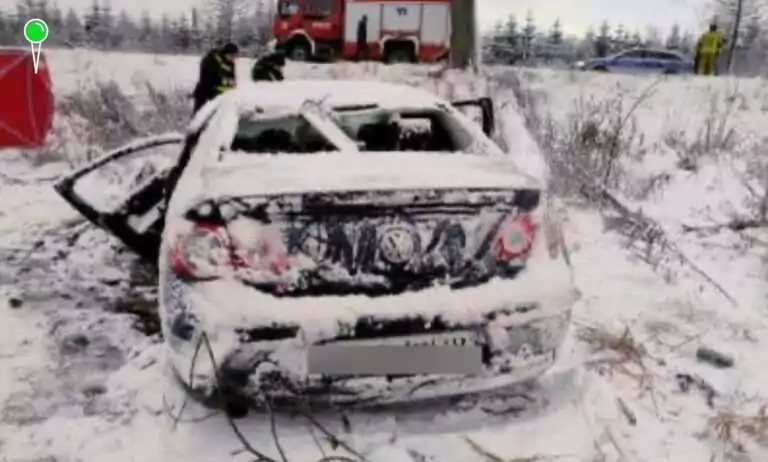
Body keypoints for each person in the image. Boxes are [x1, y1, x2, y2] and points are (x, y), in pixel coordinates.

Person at [192, 42, 239, 114]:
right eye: (232, 56)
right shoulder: (211, 59)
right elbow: (208, 78)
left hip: (221, 95)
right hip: (205, 93)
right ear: (225, 53)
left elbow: (232, 78)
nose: (233, 58)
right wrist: (225, 82)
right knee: (200, 115)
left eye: (235, 56)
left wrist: (232, 85)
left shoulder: (231, 64)